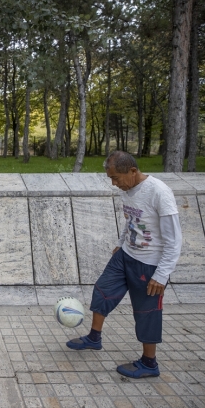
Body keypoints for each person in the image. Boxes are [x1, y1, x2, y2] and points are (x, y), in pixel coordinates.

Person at [66, 151, 182, 378]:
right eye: (111, 178)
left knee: (147, 312)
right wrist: (121, 243)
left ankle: (149, 363)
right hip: (126, 255)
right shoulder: (128, 190)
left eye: (116, 178)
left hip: (149, 264)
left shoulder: (159, 192)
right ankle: (94, 338)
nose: (114, 183)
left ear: (132, 171)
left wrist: (162, 274)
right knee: (102, 291)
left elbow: (174, 239)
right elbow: (132, 220)